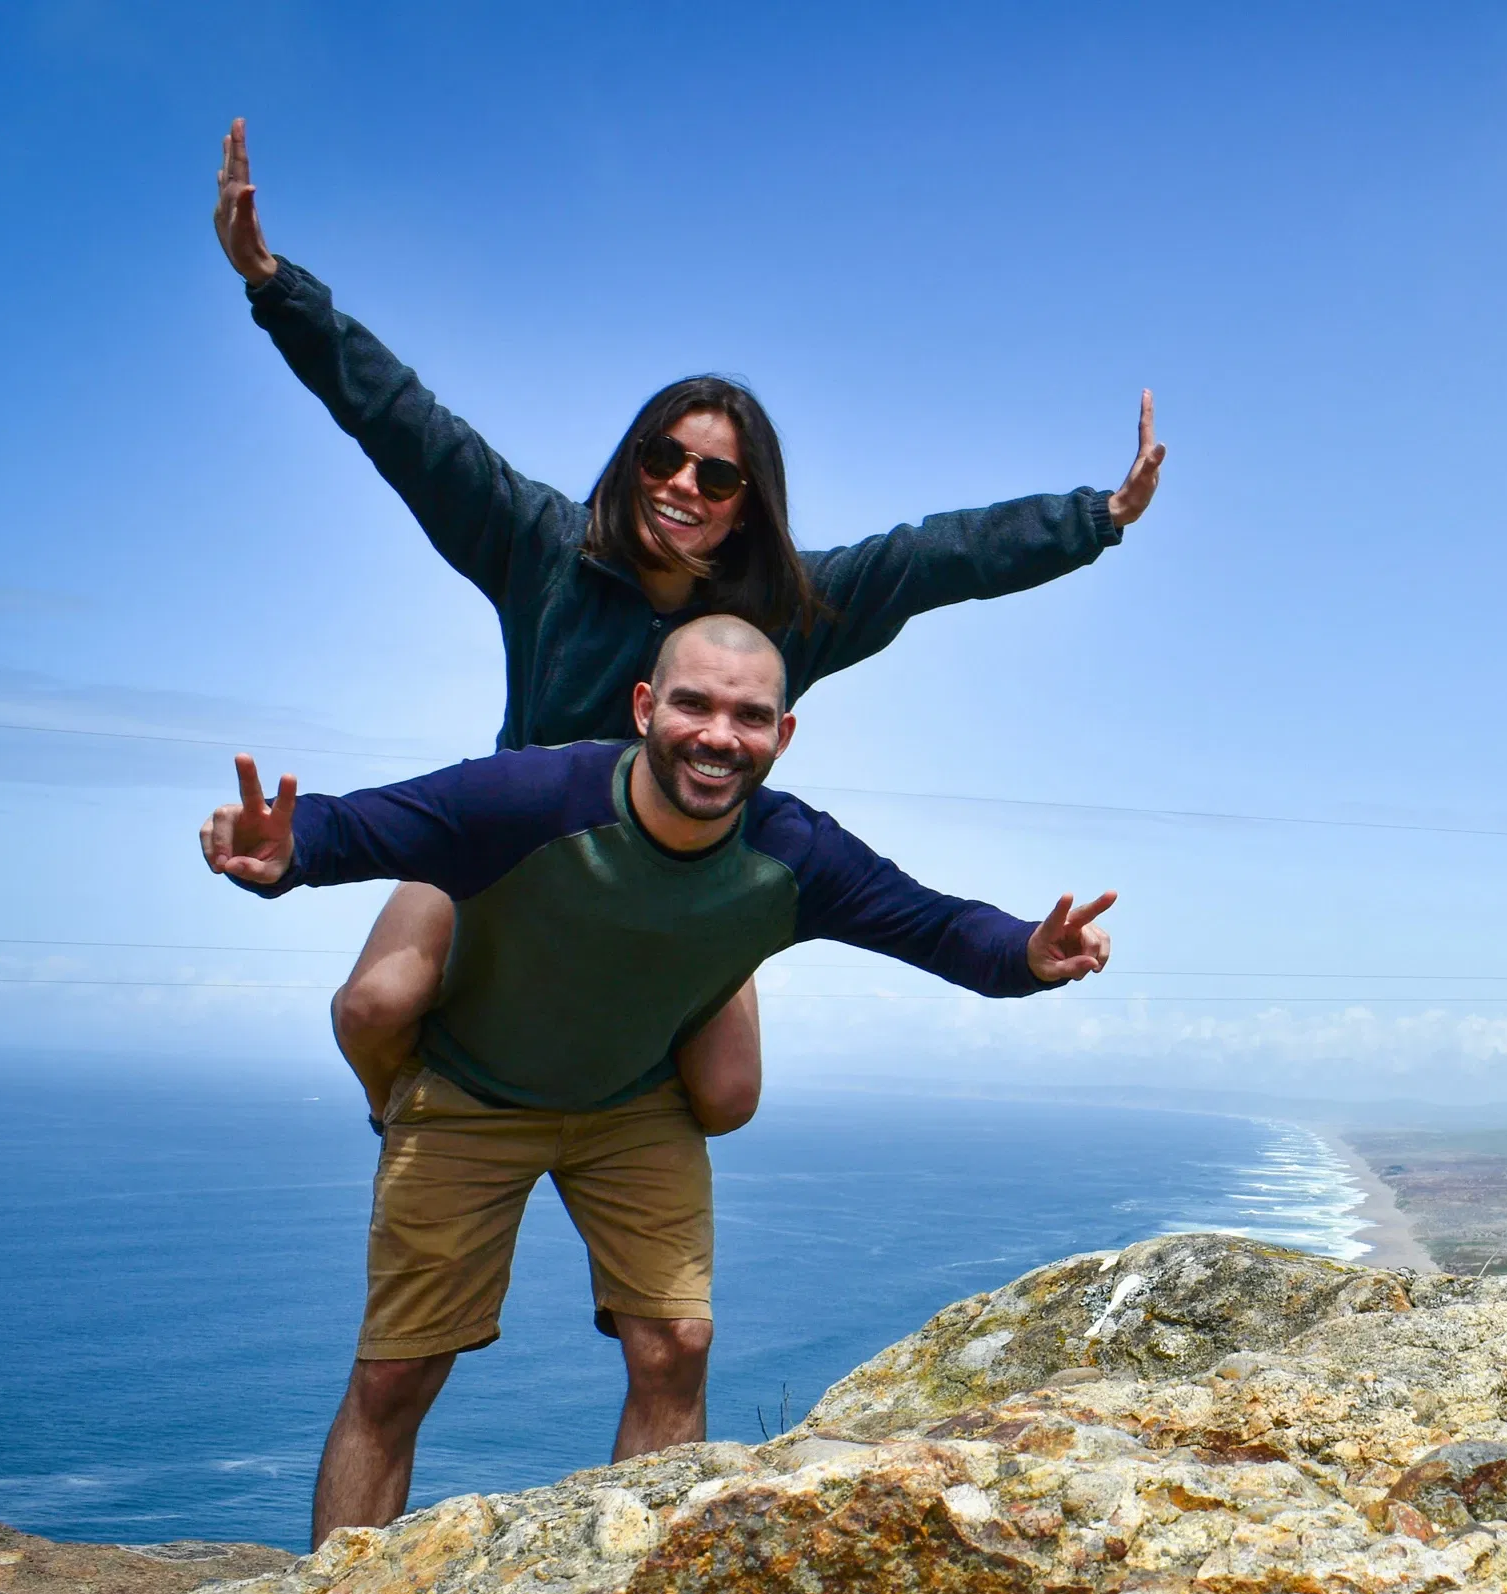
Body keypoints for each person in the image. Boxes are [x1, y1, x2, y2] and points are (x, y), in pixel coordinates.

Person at [213, 118, 1161, 1138]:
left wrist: (1092, 519)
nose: (681, 486)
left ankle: (627, 1105)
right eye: (662, 458)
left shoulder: (787, 610)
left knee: (725, 1095)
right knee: (373, 1007)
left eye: (714, 475)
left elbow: (936, 556)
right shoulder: (539, 546)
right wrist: (275, 285)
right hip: (512, 853)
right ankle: (401, 1108)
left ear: (745, 501)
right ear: (633, 461)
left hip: (691, 875)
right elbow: (405, 426)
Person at [200, 614, 1115, 1546]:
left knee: (676, 1345)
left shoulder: (796, 849)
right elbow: (360, 826)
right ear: (645, 707)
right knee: (396, 1373)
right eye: (695, 705)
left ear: (783, 735)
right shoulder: (534, 797)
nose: (720, 736)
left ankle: (632, 1586)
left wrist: (1028, 953)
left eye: (750, 717)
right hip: (470, 1094)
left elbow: (934, 924)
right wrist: (284, 853)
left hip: (634, 1104)